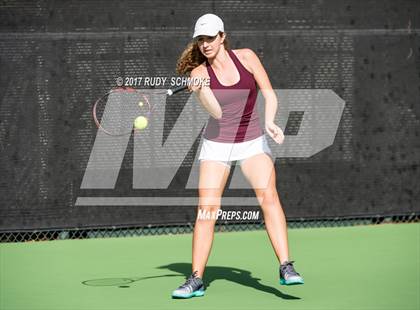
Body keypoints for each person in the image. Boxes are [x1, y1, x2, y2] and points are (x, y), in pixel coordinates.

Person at [171, 13, 304, 299]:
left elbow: (269, 94)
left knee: (269, 196)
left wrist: (269, 122)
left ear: (222, 36)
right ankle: (195, 279)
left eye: (209, 38)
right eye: (200, 39)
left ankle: (286, 267)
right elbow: (217, 113)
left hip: (252, 141)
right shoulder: (198, 74)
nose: (205, 44)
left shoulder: (246, 57)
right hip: (218, 144)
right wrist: (202, 91)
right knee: (207, 209)